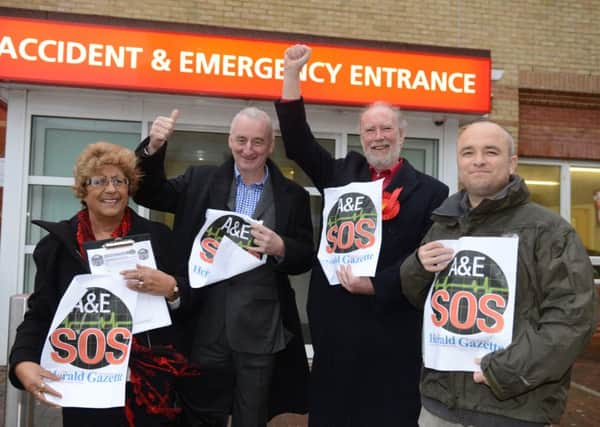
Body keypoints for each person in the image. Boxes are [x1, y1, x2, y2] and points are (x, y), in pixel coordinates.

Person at [276, 44, 449, 426]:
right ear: (361, 135)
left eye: (387, 128)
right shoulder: (338, 173)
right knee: (332, 411)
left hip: (392, 322)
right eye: (370, 129)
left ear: (402, 135)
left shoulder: (432, 192)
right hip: (336, 320)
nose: (378, 136)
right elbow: (297, 140)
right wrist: (292, 73)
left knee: (388, 412)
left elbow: (425, 263)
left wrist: (377, 285)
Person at [400, 120, 598, 426]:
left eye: (490, 151)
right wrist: (417, 266)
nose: (478, 160)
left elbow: (572, 320)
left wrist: (503, 370)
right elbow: (418, 299)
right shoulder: (443, 224)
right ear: (459, 162)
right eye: (468, 152)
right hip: (439, 406)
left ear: (512, 163)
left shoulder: (548, 231)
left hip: (512, 410)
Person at [133, 106, 313, 427]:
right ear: (229, 140)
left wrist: (281, 247)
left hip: (261, 330)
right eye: (241, 140)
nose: (248, 149)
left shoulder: (292, 196)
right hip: (204, 322)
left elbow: (304, 256)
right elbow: (150, 193)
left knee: (252, 417)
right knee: (199, 414)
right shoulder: (199, 181)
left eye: (258, 142)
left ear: (271, 146)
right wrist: (153, 148)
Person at [9, 142, 192, 427]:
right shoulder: (56, 247)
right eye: (99, 181)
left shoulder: (158, 238)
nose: (111, 189)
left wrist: (172, 289)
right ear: (83, 189)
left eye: (119, 180)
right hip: (85, 383)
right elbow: (41, 313)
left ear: (129, 188)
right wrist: (23, 361)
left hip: (148, 387)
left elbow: (191, 302)